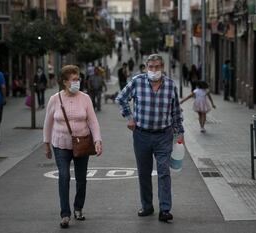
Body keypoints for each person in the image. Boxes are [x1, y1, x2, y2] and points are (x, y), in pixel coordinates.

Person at [116, 54, 184, 223]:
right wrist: (129, 117)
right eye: (151, 67)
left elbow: (176, 111)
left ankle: (165, 209)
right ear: (146, 67)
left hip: (164, 135)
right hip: (141, 135)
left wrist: (180, 133)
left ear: (162, 67)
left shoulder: (170, 85)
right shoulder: (137, 82)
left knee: (163, 172)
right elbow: (121, 98)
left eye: (157, 67)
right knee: (144, 173)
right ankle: (147, 206)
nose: (154, 70)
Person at [43, 65, 103, 228]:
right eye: (74, 80)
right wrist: (46, 144)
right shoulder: (55, 99)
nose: (78, 82)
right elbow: (48, 122)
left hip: (81, 143)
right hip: (60, 144)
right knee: (64, 176)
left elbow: (93, 121)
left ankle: (78, 207)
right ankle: (65, 214)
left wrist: (97, 140)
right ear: (64, 82)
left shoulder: (85, 98)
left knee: (81, 178)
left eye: (78, 79)